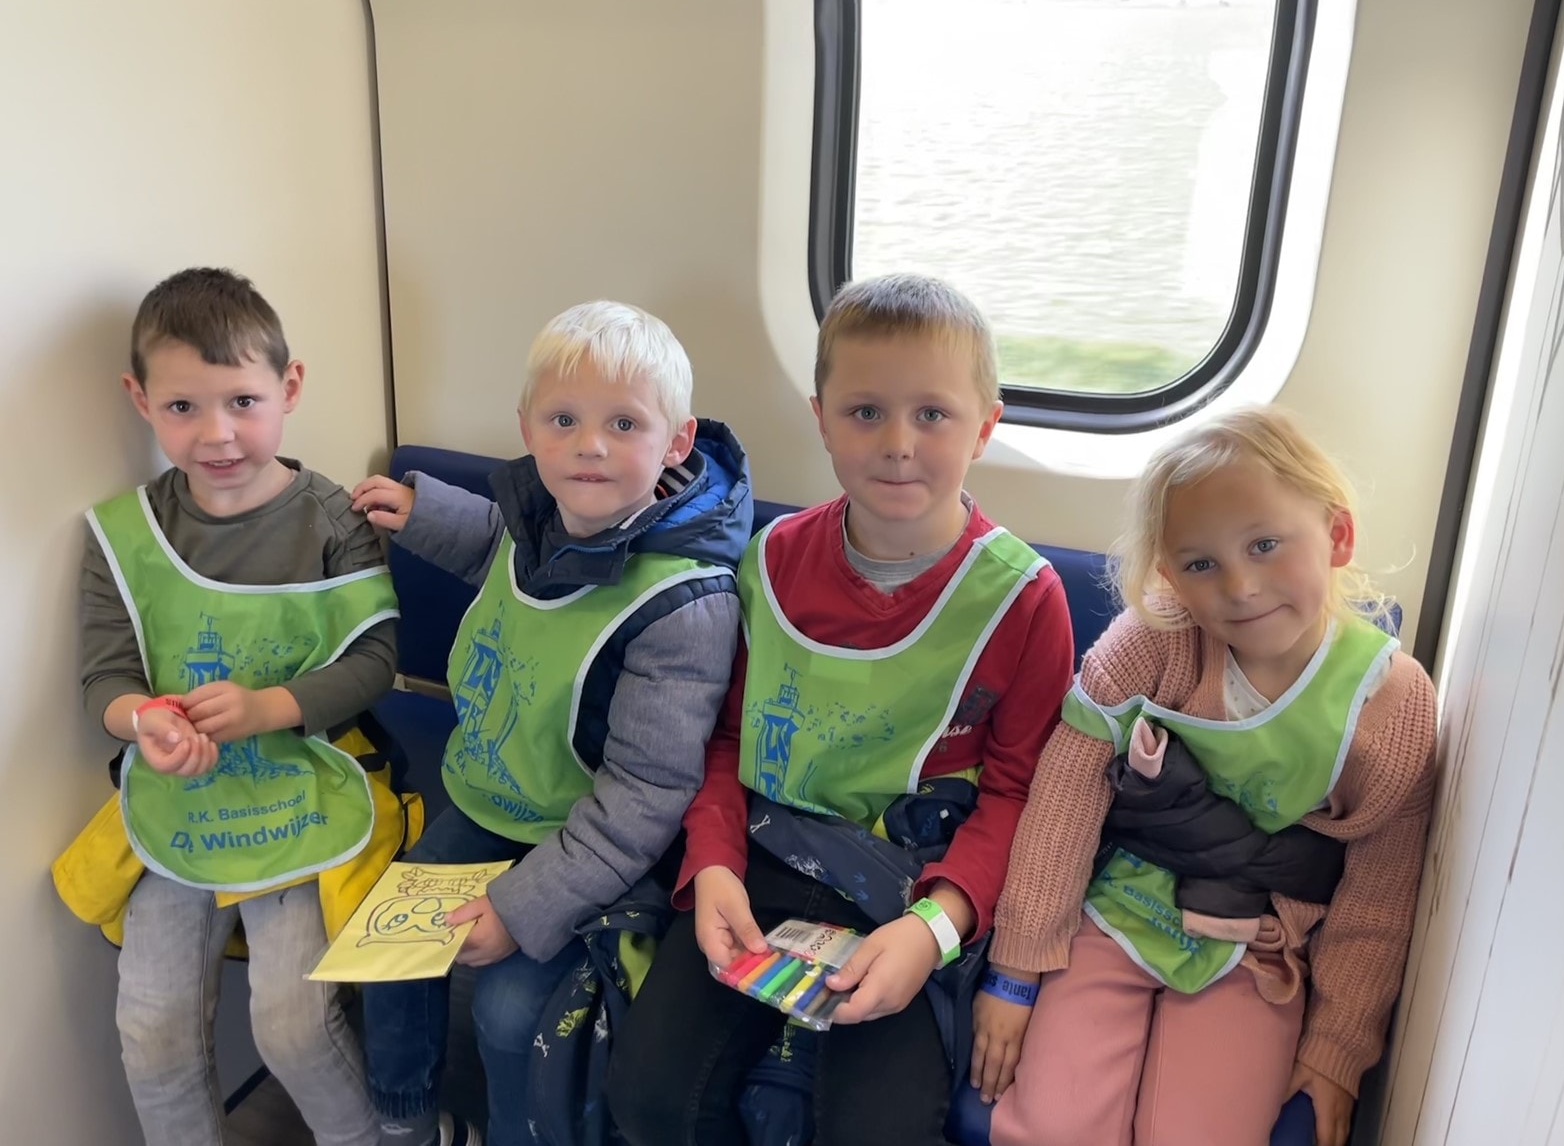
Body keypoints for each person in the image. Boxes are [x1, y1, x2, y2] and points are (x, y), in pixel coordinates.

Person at [607, 273, 1074, 1146]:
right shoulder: (771, 560)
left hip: (913, 883)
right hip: (765, 854)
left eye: (932, 414)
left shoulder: (1024, 599)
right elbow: (727, 740)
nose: (898, 444)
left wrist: (934, 930)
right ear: (821, 418)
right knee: (650, 1100)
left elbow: (1019, 795)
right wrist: (712, 867)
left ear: (985, 426)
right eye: (866, 413)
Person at [980, 405, 1438, 1146]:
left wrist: (1337, 1047)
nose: (1241, 586)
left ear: (1337, 536)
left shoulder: (1391, 704)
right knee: (1053, 1126)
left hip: (1257, 945)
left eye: (1265, 545)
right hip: (1113, 910)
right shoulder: (1153, 642)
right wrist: (1018, 968)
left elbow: (1380, 890)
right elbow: (1066, 793)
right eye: (1201, 564)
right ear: (1170, 578)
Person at [352, 300, 751, 1146]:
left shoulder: (683, 604)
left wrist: (519, 908)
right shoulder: (538, 520)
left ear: (676, 442)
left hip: (598, 844)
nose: (589, 445)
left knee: (507, 1012)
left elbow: (646, 795)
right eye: (563, 420)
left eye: (623, 423)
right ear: (527, 429)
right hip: (492, 804)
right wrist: (420, 510)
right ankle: (407, 1121)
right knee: (389, 946)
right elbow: (494, 547)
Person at [69, 266, 402, 1146]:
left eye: (243, 402)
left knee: (292, 1025)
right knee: (152, 1030)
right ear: (140, 400)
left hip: (306, 783)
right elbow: (104, 679)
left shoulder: (332, 518)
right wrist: (144, 721)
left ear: (289, 388)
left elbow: (375, 661)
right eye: (183, 407)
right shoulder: (124, 536)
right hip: (179, 799)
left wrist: (268, 708)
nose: (217, 435)